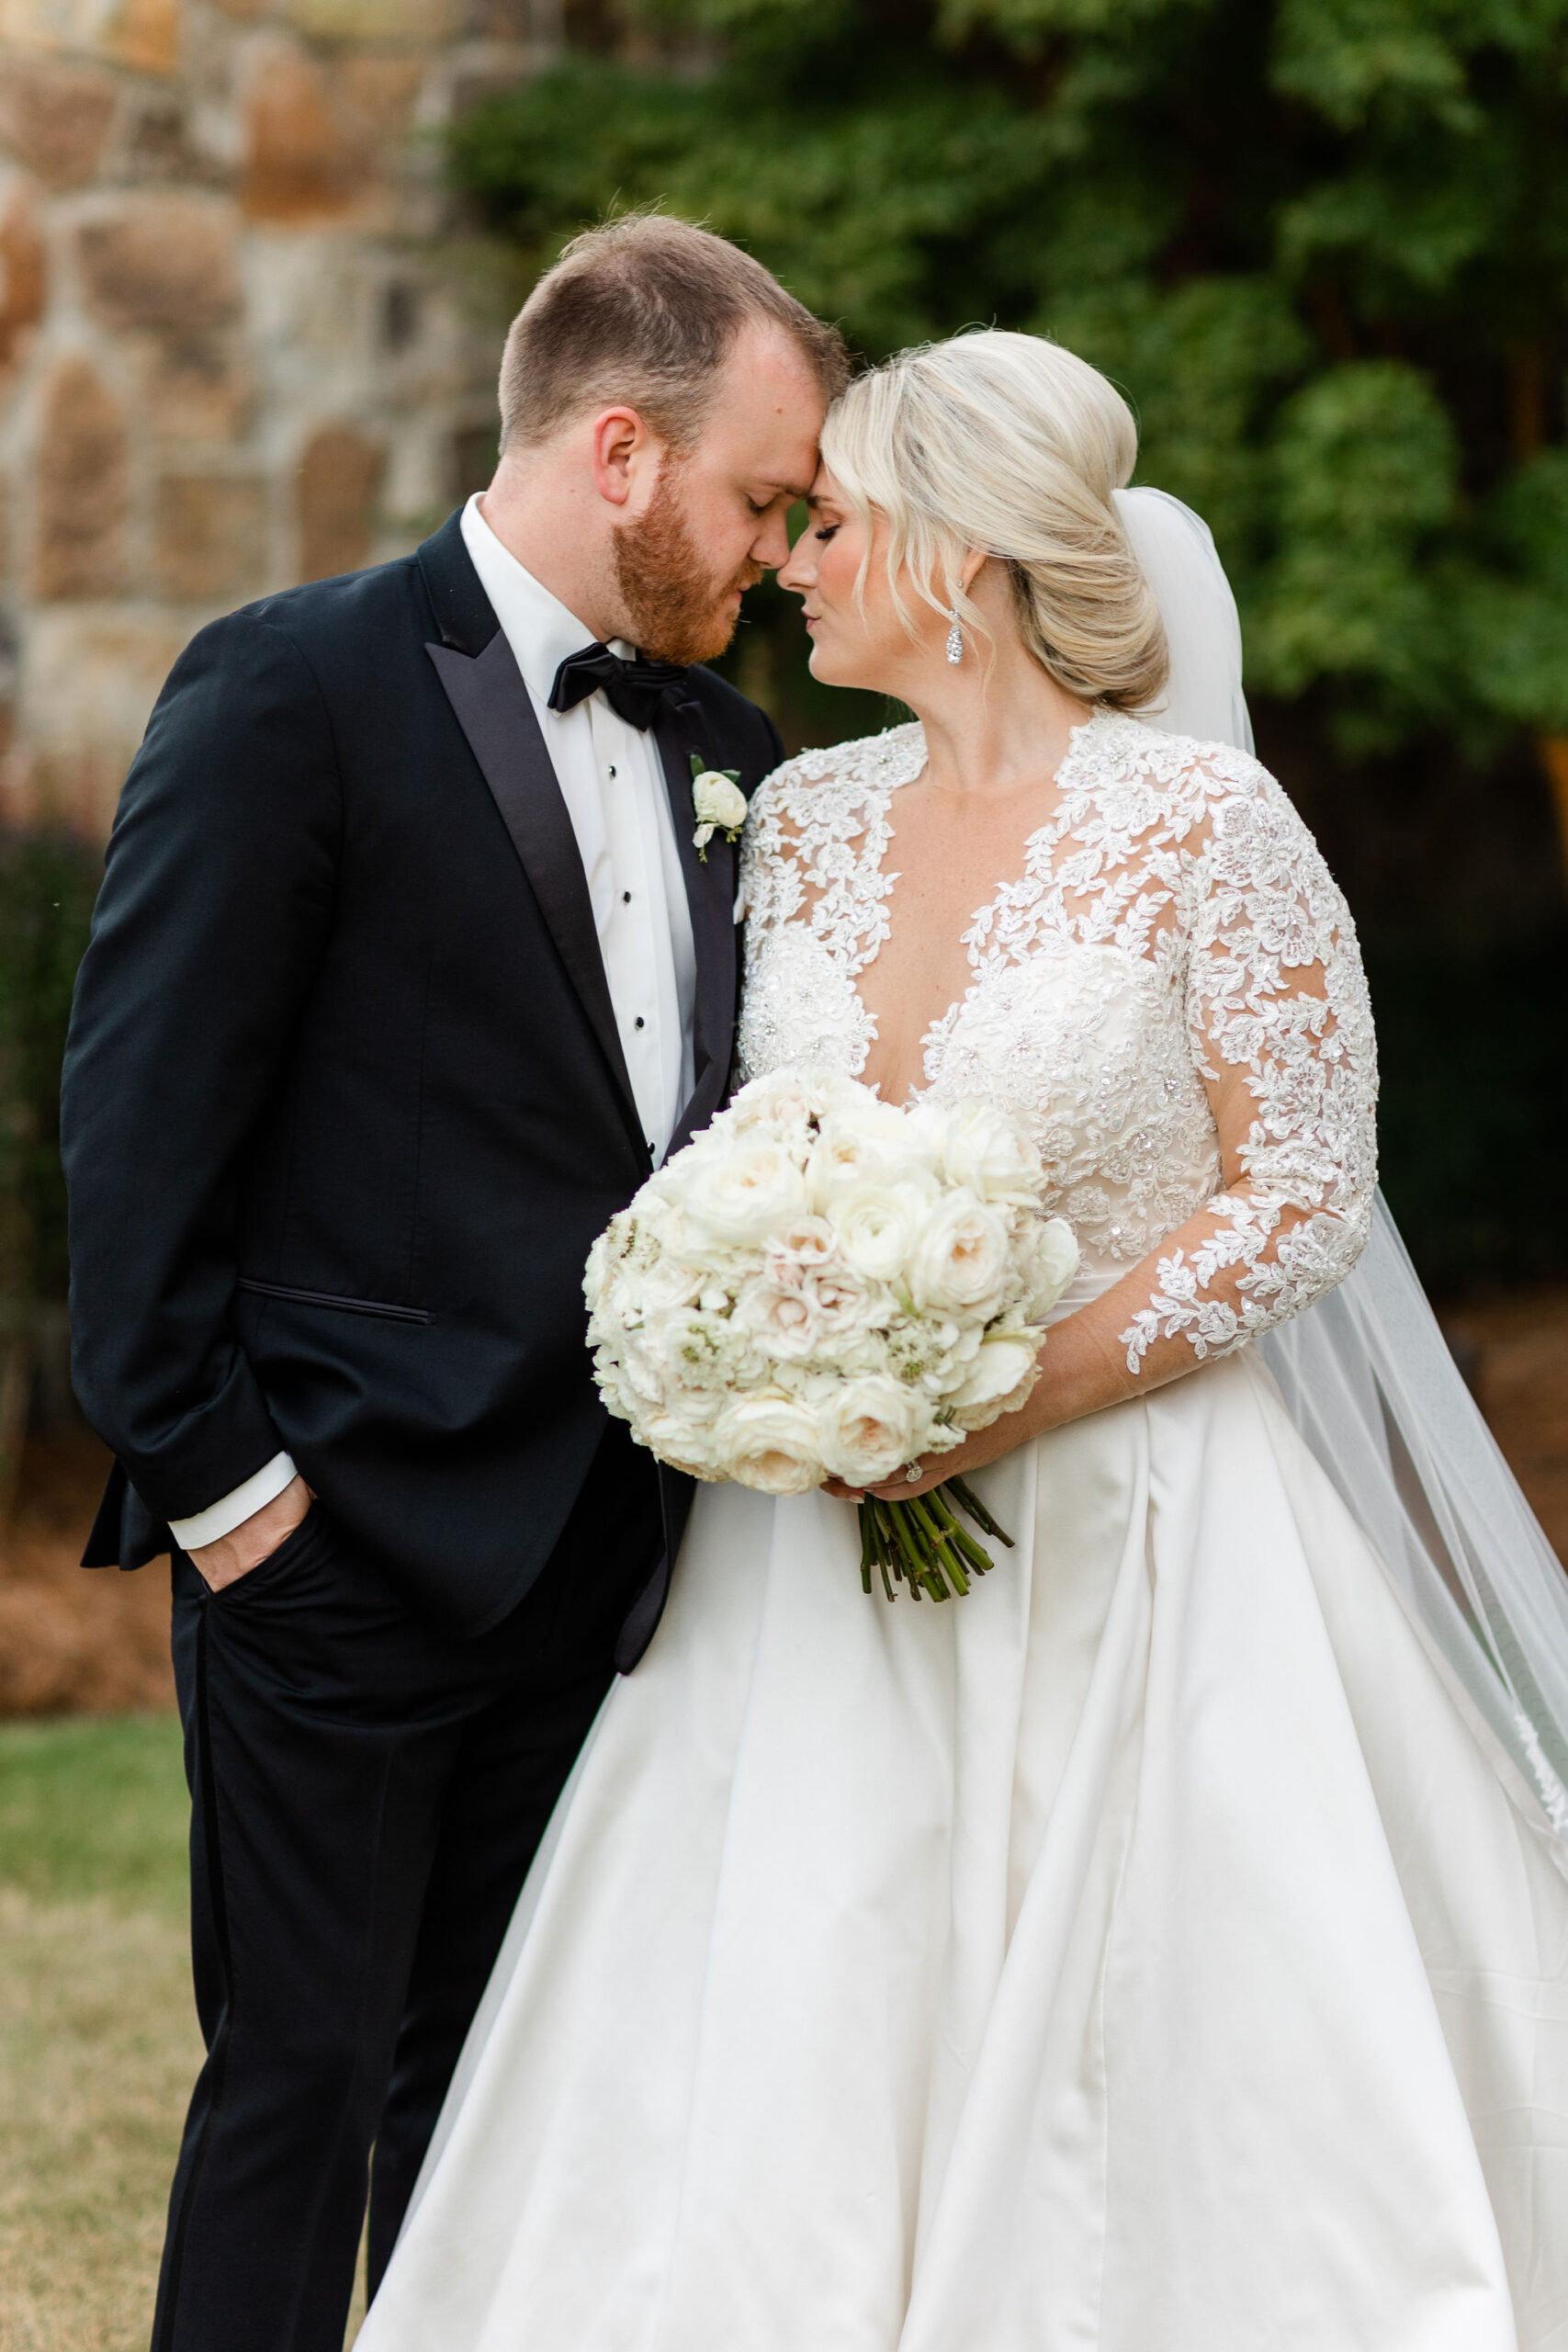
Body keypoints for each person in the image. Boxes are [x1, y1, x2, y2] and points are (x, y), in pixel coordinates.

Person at [355, 330, 1568, 2350]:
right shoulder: (799, 819)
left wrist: (1012, 1383)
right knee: (800, 1980)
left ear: (960, 552)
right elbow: (751, 1148)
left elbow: (1297, 1194)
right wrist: (773, 1337)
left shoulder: (1205, 824)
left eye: (829, 522)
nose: (793, 563)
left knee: (1157, 2021)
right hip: (810, 1553)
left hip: (1145, 1532)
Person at [59, 214, 845, 2352]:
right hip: (340, 1556)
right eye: (761, 495)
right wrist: (248, 1515)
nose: (779, 552)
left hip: (609, 1570)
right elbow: (137, 1153)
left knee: (506, 2120)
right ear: (618, 449)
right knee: (293, 2097)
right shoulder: (288, 682)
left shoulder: (743, 768)